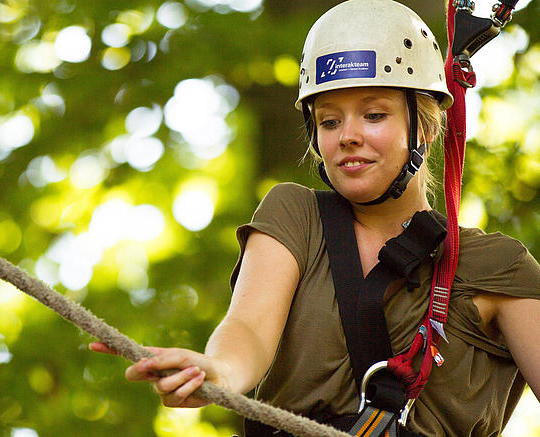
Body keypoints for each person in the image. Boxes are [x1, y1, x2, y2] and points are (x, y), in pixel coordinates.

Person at [91, 0, 540, 435]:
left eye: (374, 114)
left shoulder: (495, 267)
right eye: (328, 121)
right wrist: (218, 373)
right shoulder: (297, 216)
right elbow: (248, 326)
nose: (347, 136)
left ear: (422, 125)